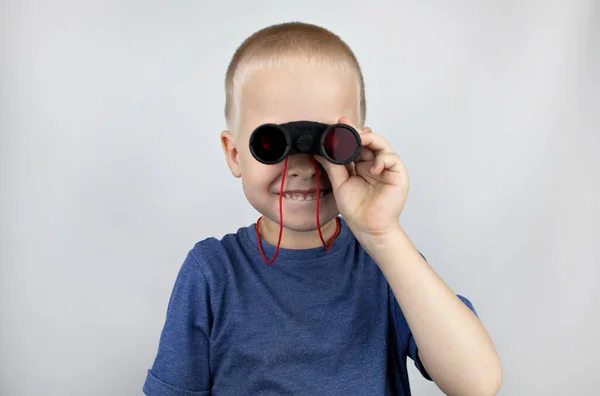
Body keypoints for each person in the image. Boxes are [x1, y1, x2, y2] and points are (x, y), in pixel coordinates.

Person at [142, 21, 502, 396]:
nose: (300, 165)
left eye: (327, 142)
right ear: (235, 154)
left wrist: (383, 234)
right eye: (271, 141)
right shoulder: (212, 273)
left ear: (359, 147)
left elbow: (478, 383)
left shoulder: (387, 265)